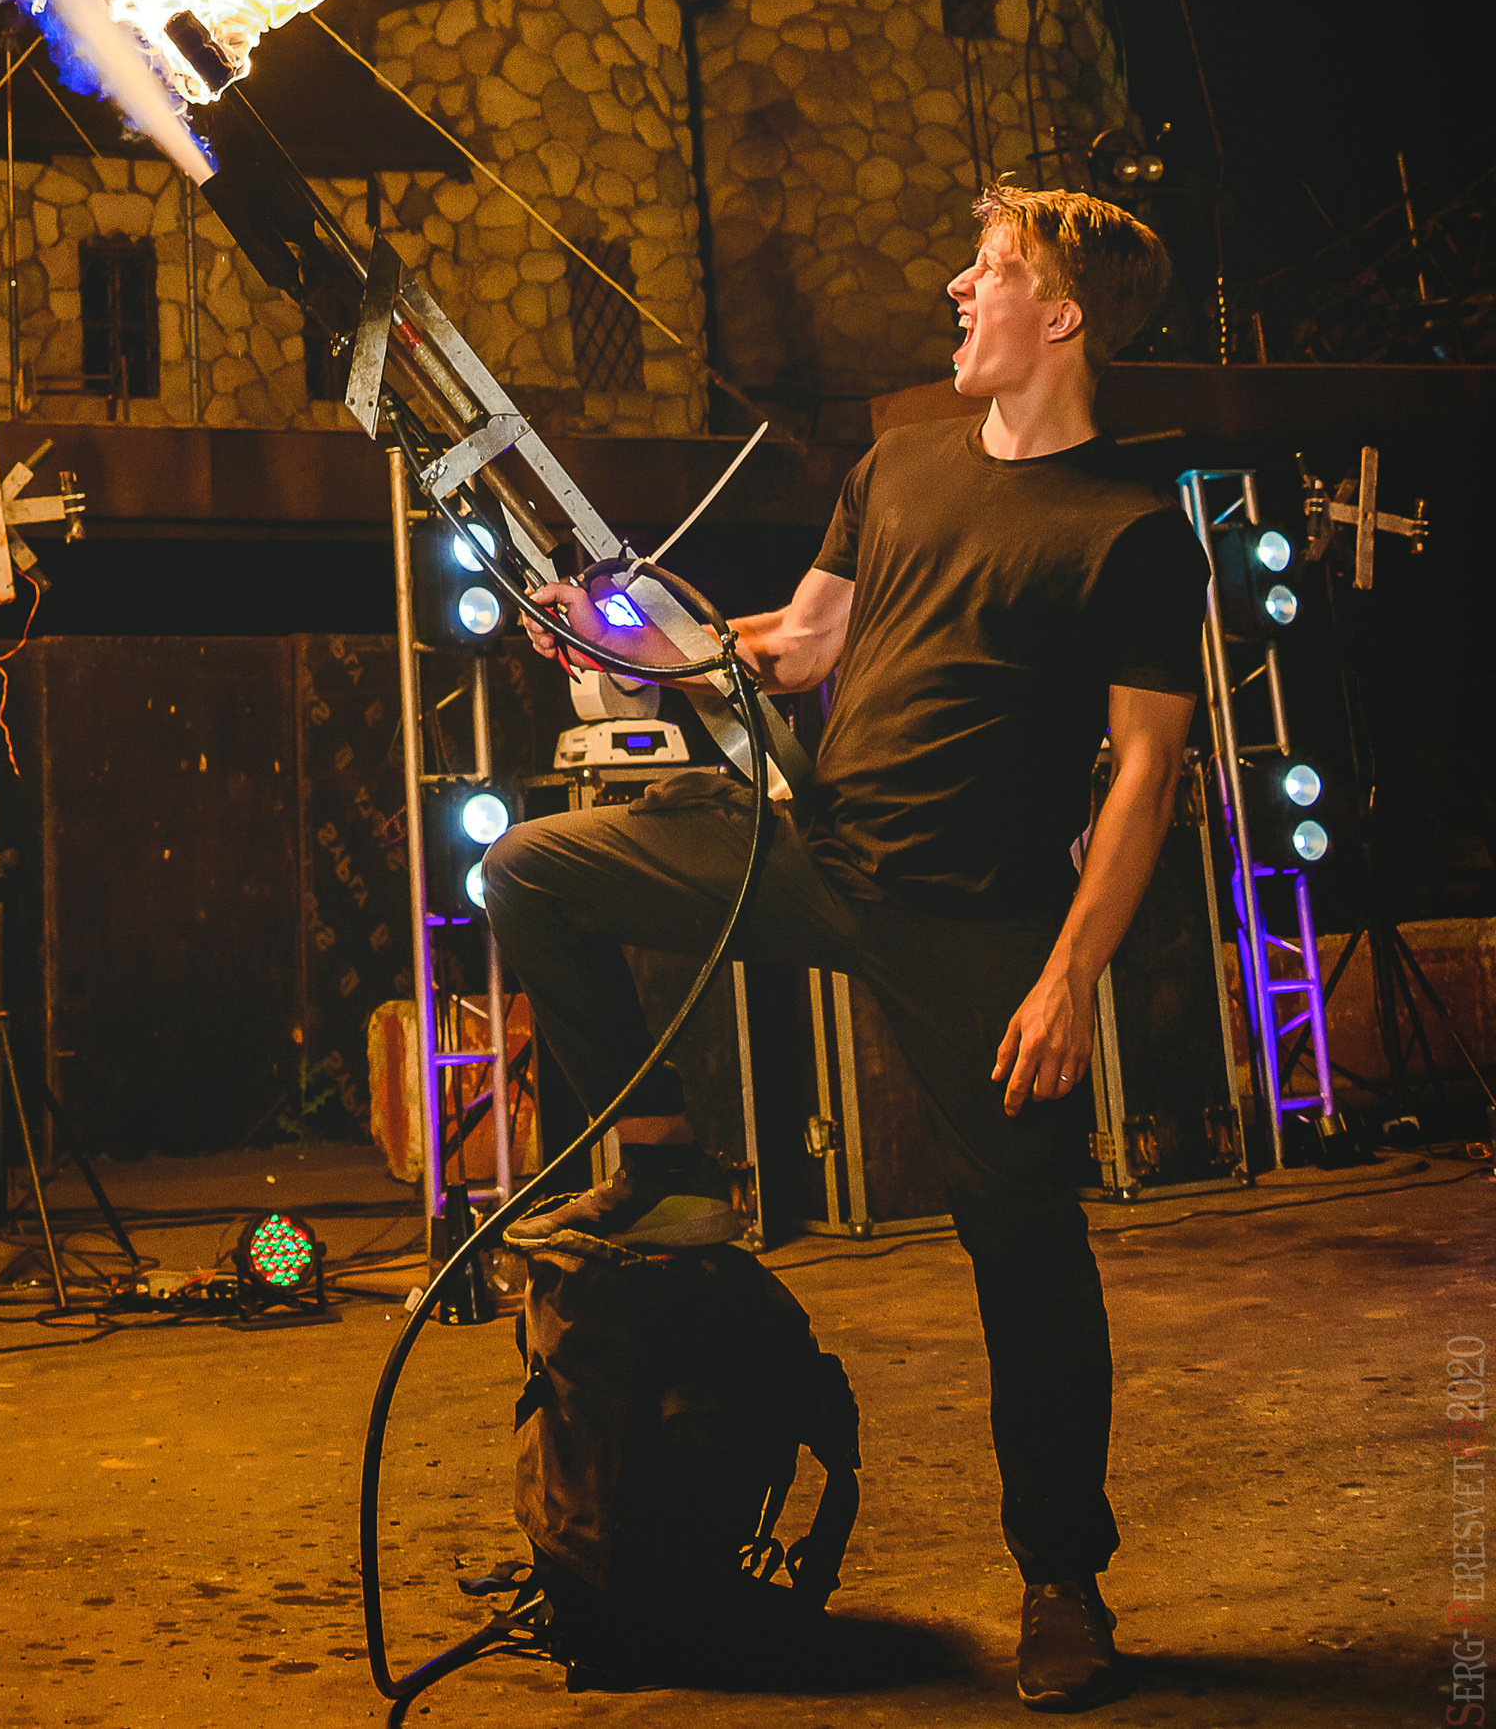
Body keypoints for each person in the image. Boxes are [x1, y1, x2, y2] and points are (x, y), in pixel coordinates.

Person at [481, 184, 1202, 1717]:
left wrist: (1069, 972)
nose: (958, 284)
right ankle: (662, 1156)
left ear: (1063, 313)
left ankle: (1063, 1579)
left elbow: (1147, 770)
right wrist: (620, 644)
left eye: (991, 267)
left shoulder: (1133, 529)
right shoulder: (902, 461)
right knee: (532, 869)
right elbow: (799, 641)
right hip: (817, 854)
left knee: (1027, 1247)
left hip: (979, 920)